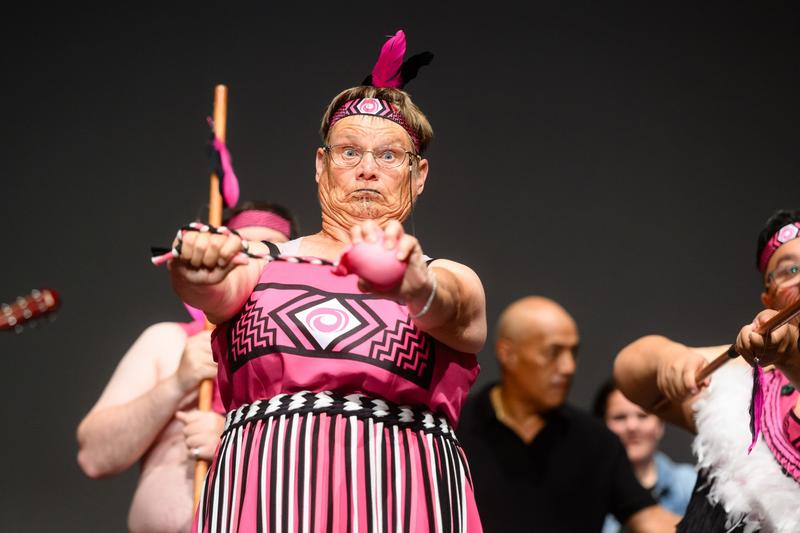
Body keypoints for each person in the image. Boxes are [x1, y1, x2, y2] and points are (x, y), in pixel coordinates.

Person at [167, 31, 487, 533]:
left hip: (404, 503)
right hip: (264, 502)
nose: (367, 170)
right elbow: (214, 292)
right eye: (349, 152)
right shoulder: (264, 261)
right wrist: (196, 267)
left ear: (419, 174)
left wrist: (414, 284)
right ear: (321, 165)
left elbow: (453, 306)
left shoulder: (445, 274)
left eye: (389, 156)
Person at [76, 202, 297, 533]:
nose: (253, 261)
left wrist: (232, 441)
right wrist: (178, 383)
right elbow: (94, 456)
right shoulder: (168, 342)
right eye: (241, 249)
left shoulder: (307, 356)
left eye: (267, 251)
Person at [614, 209, 800, 532]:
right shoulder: (746, 376)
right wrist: (669, 358)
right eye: (790, 270)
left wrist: (791, 356)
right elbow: (631, 372)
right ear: (768, 297)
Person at [458, 296, 679, 532]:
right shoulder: (455, 429)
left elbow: (647, 517)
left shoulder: (596, 441)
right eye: (553, 352)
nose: (568, 367)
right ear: (507, 353)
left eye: (573, 352)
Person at [593, 379, 696, 533]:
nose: (632, 426)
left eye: (643, 416)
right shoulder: (585, 491)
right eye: (619, 417)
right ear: (600, 425)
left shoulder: (689, 484)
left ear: (660, 424)